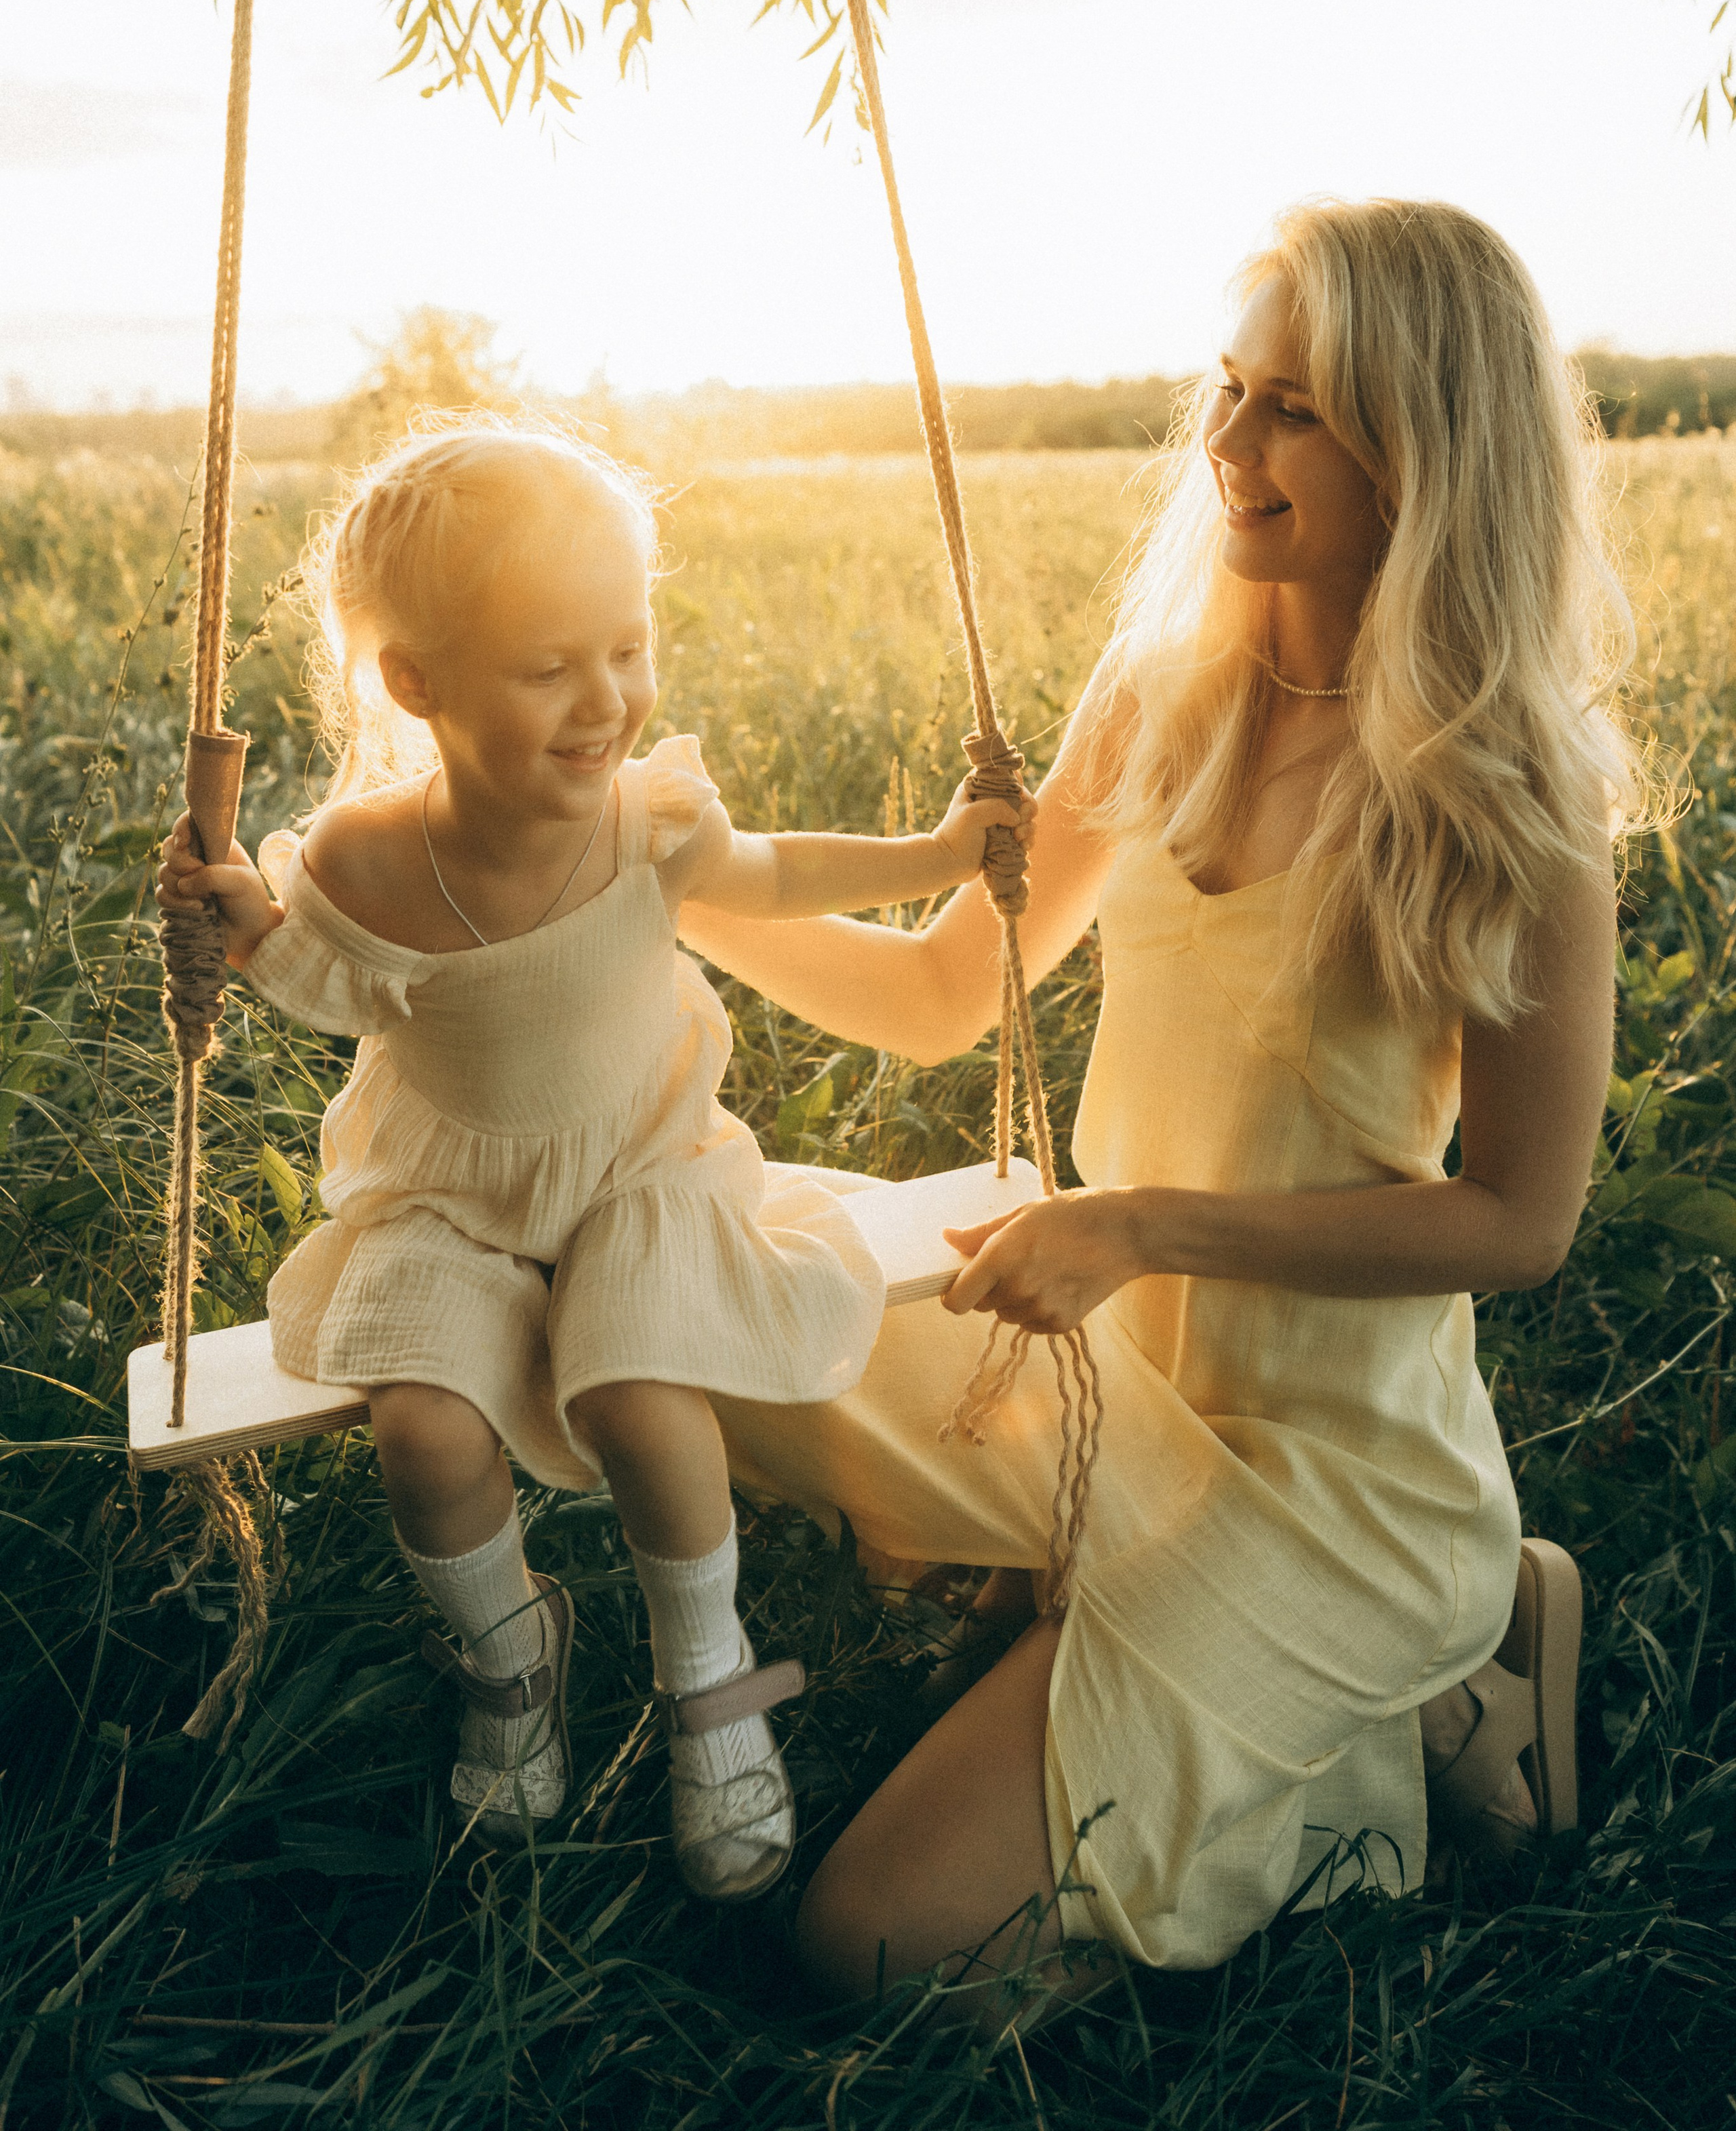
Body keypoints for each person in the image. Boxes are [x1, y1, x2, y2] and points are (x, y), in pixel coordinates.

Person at [679, 199, 1640, 1999]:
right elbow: (939, 992)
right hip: (1104, 1399)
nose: (1230, 442)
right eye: (1229, 385)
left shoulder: (1507, 799)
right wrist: (681, 893)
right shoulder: (1167, 700)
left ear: (1422, 437)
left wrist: (1137, 1227)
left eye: (1295, 404)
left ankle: (1423, 1710)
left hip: (1326, 1488)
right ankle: (1099, 1618)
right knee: (689, 1279)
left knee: (878, 1956)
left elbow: (1520, 1223)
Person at [155, 421, 1031, 1898]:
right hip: (453, 1194)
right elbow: (318, 970)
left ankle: (710, 1683)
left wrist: (939, 854)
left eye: (624, 648)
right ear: (416, 683)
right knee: (421, 1429)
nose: (605, 700)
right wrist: (221, 920)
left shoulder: (650, 822)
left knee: (640, 1390)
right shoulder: (366, 856)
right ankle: (510, 1662)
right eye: (547, 665)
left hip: (645, 1165)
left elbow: (779, 869)